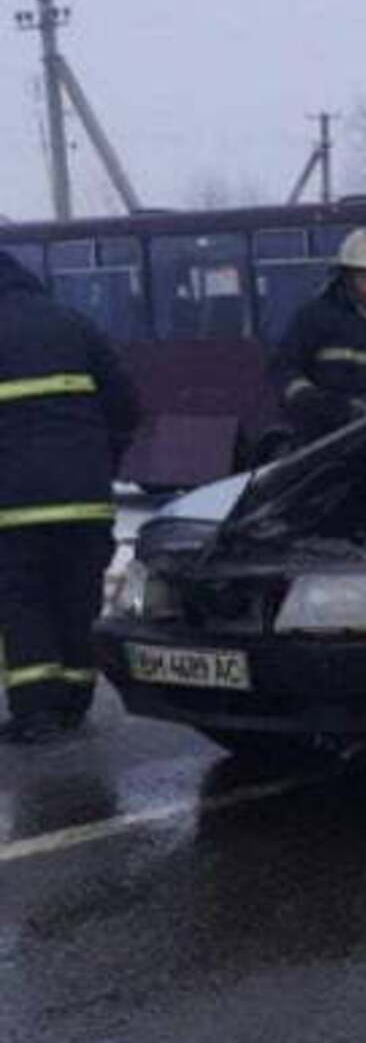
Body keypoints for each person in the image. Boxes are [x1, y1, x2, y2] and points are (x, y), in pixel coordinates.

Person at [0, 250, 141, 745]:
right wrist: (101, 463)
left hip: (12, 506)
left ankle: (37, 714)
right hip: (86, 499)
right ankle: (74, 704)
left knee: (23, 602)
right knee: (77, 597)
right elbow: (127, 404)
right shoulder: (73, 323)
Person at [269, 226, 366, 442]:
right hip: (323, 440)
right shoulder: (315, 317)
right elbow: (283, 368)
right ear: (347, 279)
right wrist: (312, 401)